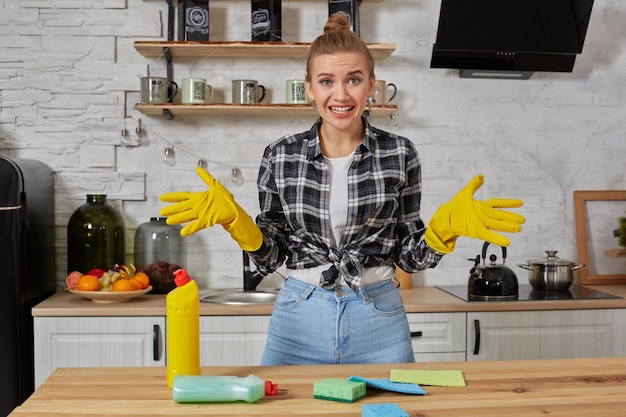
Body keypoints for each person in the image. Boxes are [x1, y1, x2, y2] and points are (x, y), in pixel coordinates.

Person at [160, 14, 525, 365]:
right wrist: (237, 224)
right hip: (298, 318)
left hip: (379, 315)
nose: (340, 94)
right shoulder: (280, 155)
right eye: (326, 81)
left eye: (353, 79)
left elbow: (408, 258)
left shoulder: (400, 153)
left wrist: (443, 231)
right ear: (310, 89)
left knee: (393, 413)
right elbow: (272, 258)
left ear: (371, 85)